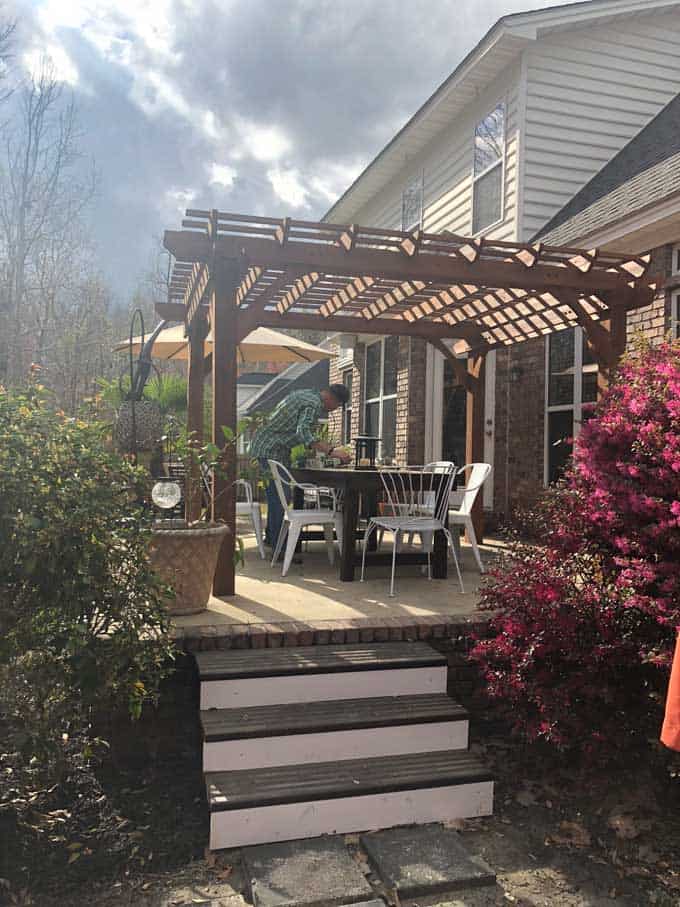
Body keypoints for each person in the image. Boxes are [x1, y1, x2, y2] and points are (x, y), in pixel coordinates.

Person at [249, 384, 351, 551]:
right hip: (270, 450)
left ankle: (272, 537)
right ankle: (278, 545)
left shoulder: (306, 393)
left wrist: (313, 448)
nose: (334, 410)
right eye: (338, 406)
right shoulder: (314, 404)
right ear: (332, 399)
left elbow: (297, 430)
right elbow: (303, 432)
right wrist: (332, 451)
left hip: (267, 447)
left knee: (277, 495)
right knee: (279, 496)